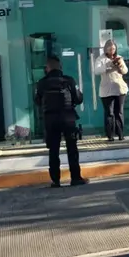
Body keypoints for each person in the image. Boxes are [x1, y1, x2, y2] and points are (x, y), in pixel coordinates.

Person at [34, 55, 88, 188]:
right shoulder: (69, 80)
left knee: (53, 150)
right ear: (60, 67)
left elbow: (37, 101)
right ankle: (75, 178)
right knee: (72, 148)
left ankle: (55, 180)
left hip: (50, 120)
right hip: (68, 118)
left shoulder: (41, 83)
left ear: (47, 68)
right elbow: (78, 99)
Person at [94, 39, 129, 141]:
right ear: (105, 49)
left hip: (119, 88)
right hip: (107, 90)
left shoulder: (119, 58)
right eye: (109, 49)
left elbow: (125, 71)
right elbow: (96, 70)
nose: (112, 51)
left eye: (113, 48)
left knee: (119, 112)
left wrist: (119, 67)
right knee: (109, 112)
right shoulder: (100, 59)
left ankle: (121, 134)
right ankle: (110, 135)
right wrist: (109, 65)